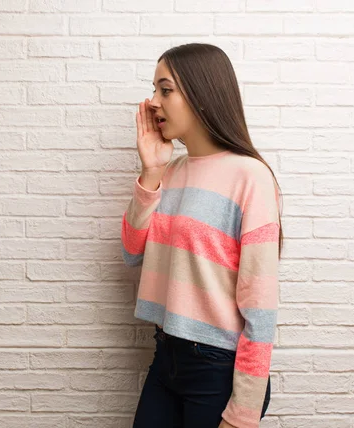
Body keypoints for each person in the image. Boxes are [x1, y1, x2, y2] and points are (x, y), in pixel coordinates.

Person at [120, 43, 284, 428]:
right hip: (165, 357)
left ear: (201, 92)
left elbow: (260, 308)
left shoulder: (251, 177)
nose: (154, 102)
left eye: (166, 89)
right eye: (155, 89)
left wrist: (243, 412)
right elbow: (131, 251)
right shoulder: (171, 171)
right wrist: (151, 172)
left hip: (217, 370)